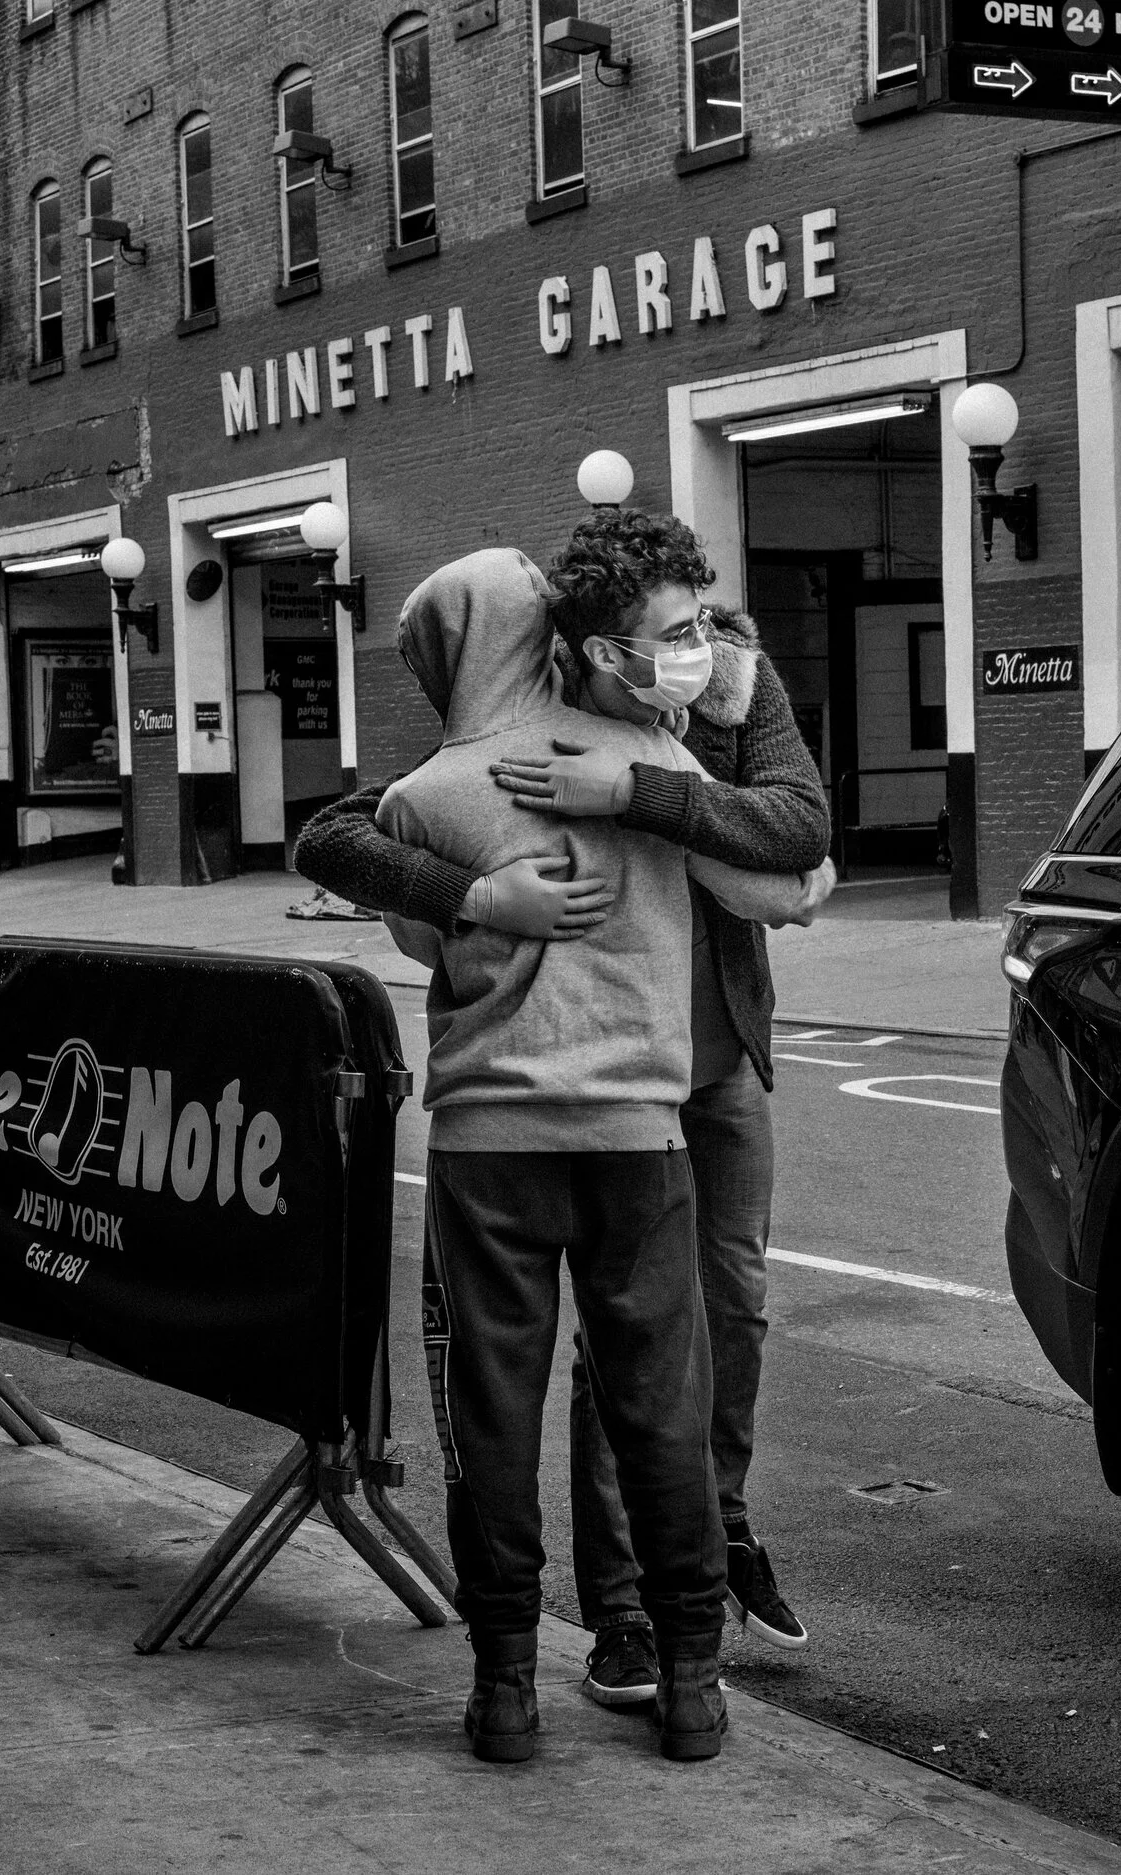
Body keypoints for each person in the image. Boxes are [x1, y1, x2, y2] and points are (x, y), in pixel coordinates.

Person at [294, 509, 832, 1716]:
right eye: (672, 634)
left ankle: (509, 1681)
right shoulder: (542, 756)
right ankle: (659, 1638)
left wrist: (613, 801)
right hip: (636, 1118)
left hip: (594, 1099)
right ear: (577, 646)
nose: (699, 649)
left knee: (609, 1368)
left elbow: (794, 829)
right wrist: (493, 882)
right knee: (654, 1382)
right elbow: (789, 874)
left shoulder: (694, 702)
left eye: (700, 628)